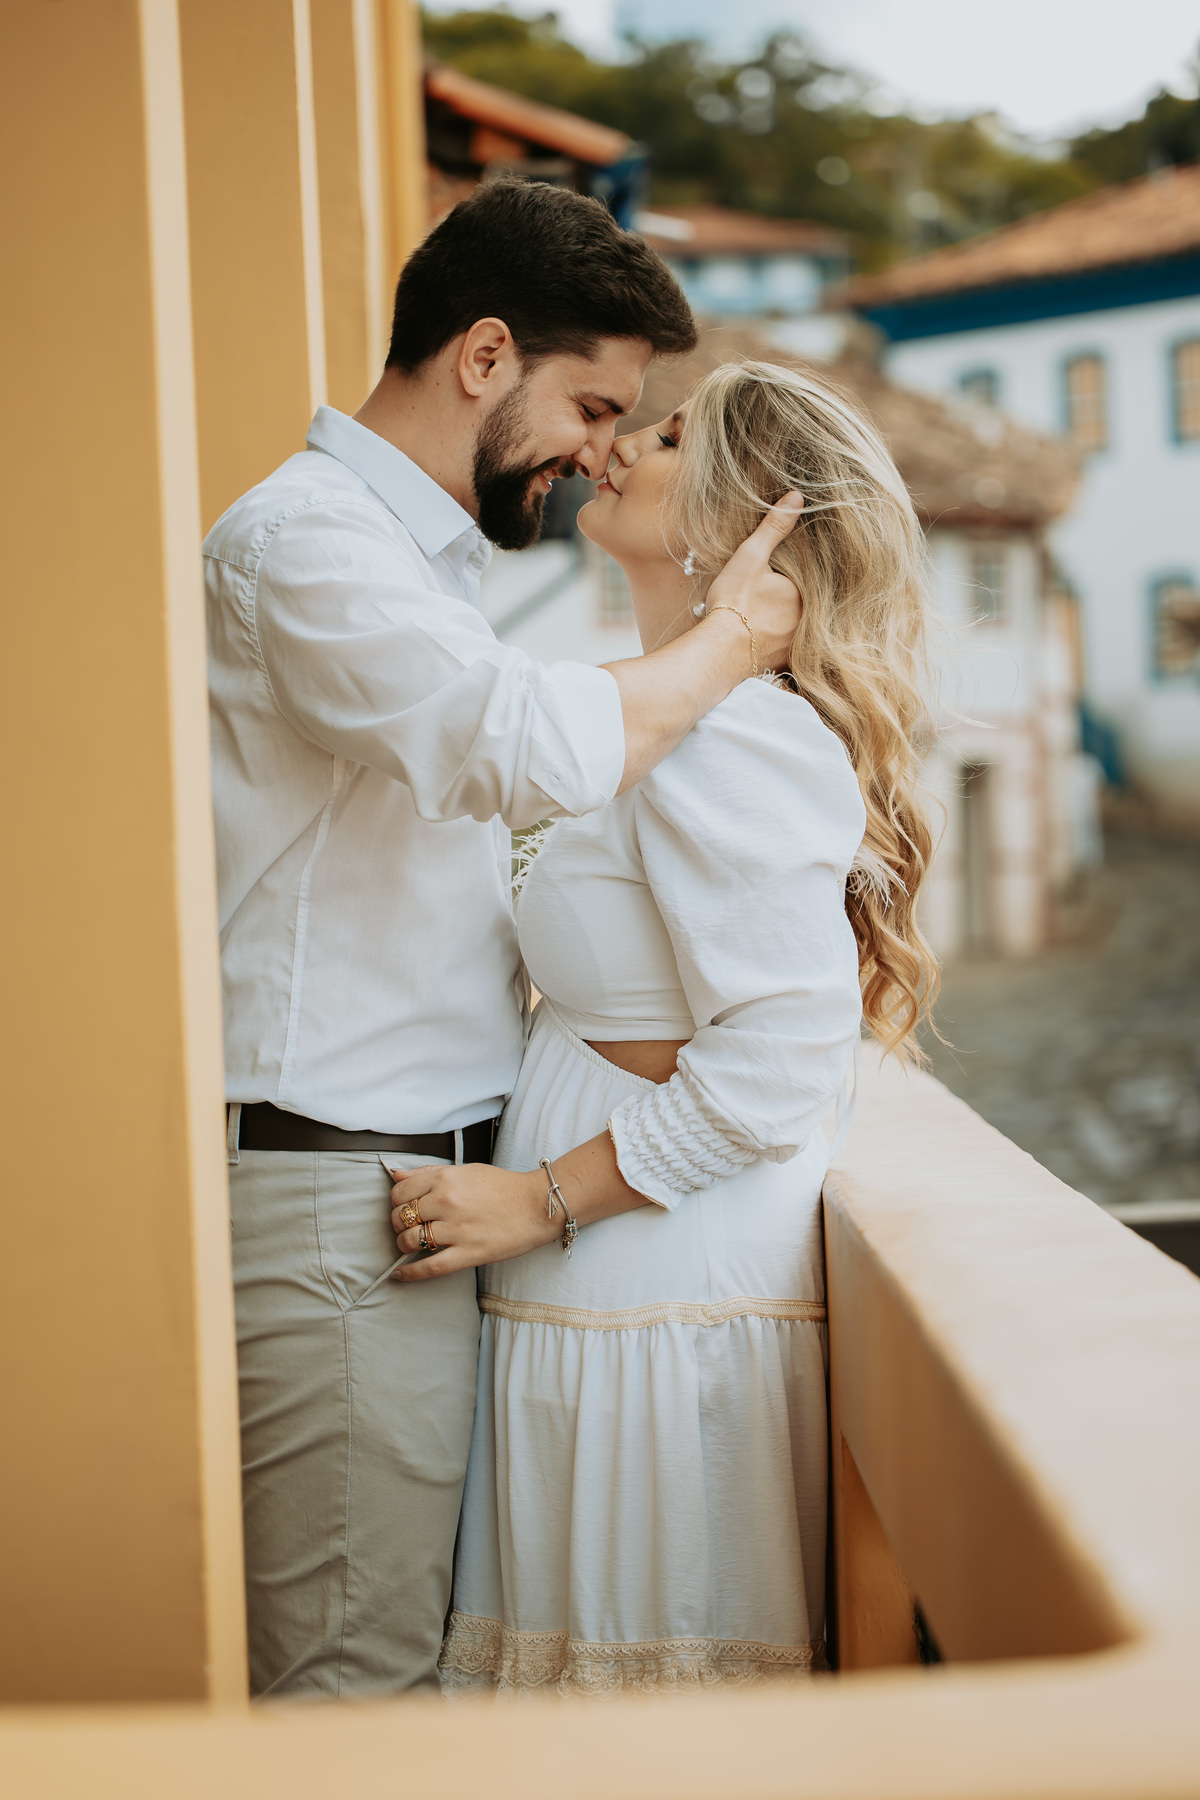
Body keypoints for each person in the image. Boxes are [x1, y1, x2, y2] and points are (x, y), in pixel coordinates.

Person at [207, 181, 802, 1699]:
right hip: (349, 1190)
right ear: (484, 356)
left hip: (425, 1195)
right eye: (595, 403)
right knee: (358, 1683)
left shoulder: (432, 562)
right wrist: (734, 641)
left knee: (406, 1666)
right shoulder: (306, 543)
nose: (603, 448)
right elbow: (512, 741)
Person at [388, 359, 939, 1693]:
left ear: (758, 517)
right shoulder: (664, 715)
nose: (624, 443)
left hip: (659, 1295)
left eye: (677, 435)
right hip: (611, 1292)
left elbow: (779, 1061)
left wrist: (540, 1202)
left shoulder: (735, 737)